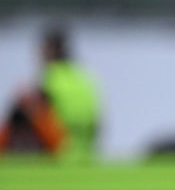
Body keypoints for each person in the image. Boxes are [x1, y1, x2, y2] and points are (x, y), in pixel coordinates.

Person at [0, 27, 100, 160]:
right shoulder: (83, 77)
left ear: (50, 49)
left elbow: (38, 112)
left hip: (60, 152)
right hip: (86, 153)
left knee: (23, 106)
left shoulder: (51, 78)